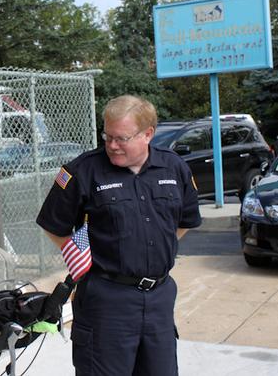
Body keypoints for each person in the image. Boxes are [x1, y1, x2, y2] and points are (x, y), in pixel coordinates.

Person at [36, 95, 201, 376]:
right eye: (107, 136)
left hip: (159, 298)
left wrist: (151, 255)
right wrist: (78, 254)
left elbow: (184, 221)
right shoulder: (83, 170)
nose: (112, 145)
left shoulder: (173, 168)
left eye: (121, 138)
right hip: (106, 300)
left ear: (148, 134)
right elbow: (54, 225)